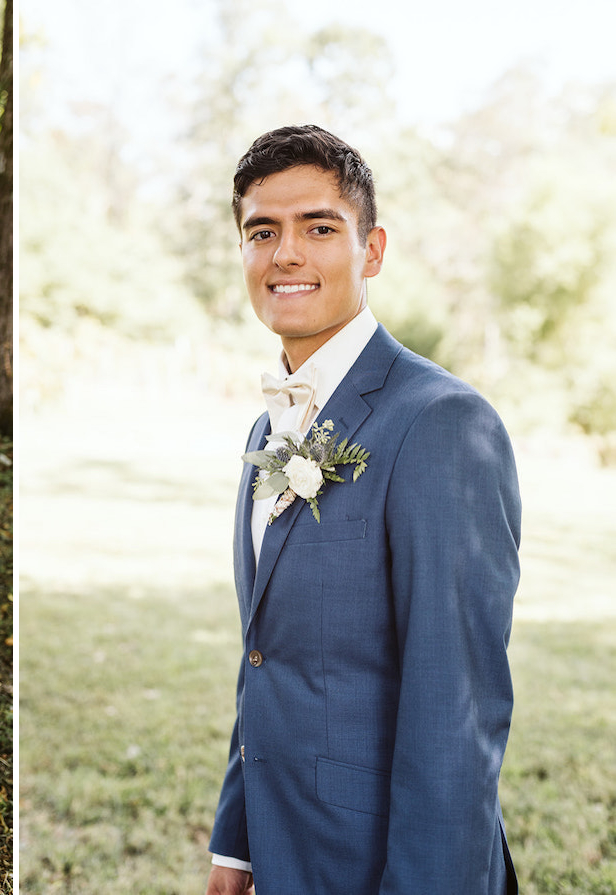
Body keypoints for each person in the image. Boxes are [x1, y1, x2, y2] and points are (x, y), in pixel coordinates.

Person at [205, 125, 521, 895]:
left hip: (385, 862)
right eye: (262, 231)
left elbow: (457, 711)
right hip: (284, 850)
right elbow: (267, 663)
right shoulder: (265, 428)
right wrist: (237, 847)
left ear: (371, 249)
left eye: (319, 228)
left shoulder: (441, 421)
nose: (286, 253)